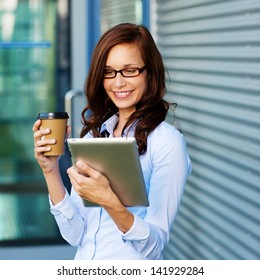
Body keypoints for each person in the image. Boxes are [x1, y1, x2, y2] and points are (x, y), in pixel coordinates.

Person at [33, 23, 192, 260]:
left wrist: (110, 202)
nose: (118, 83)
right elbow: (75, 235)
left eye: (129, 70)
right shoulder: (95, 136)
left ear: (150, 72)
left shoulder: (167, 142)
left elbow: (154, 245)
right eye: (109, 72)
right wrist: (51, 171)